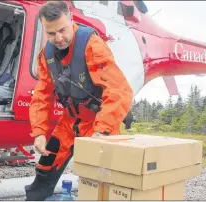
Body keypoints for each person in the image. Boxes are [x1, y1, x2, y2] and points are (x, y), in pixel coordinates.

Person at [25, 1, 133, 200]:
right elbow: (41, 95)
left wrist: (102, 132)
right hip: (70, 120)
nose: (58, 38)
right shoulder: (45, 56)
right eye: (51, 33)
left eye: (62, 30)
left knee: (103, 181)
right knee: (46, 166)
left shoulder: (92, 46)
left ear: (71, 20)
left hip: (98, 121)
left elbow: (118, 90)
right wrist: (39, 132)